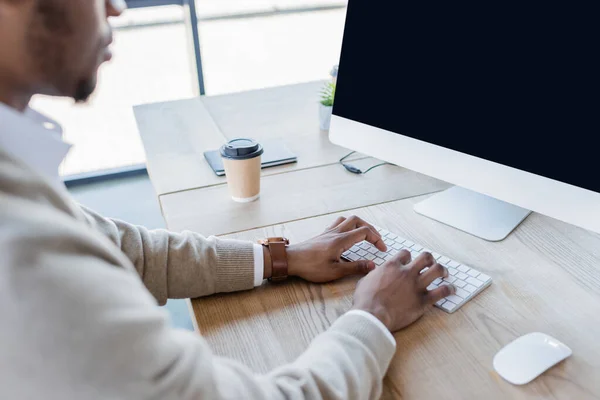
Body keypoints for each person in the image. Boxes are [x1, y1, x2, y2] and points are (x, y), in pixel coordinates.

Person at [0, 0, 456, 398]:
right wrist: (373, 314)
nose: (117, 7)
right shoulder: (23, 252)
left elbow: (128, 251)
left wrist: (282, 257)